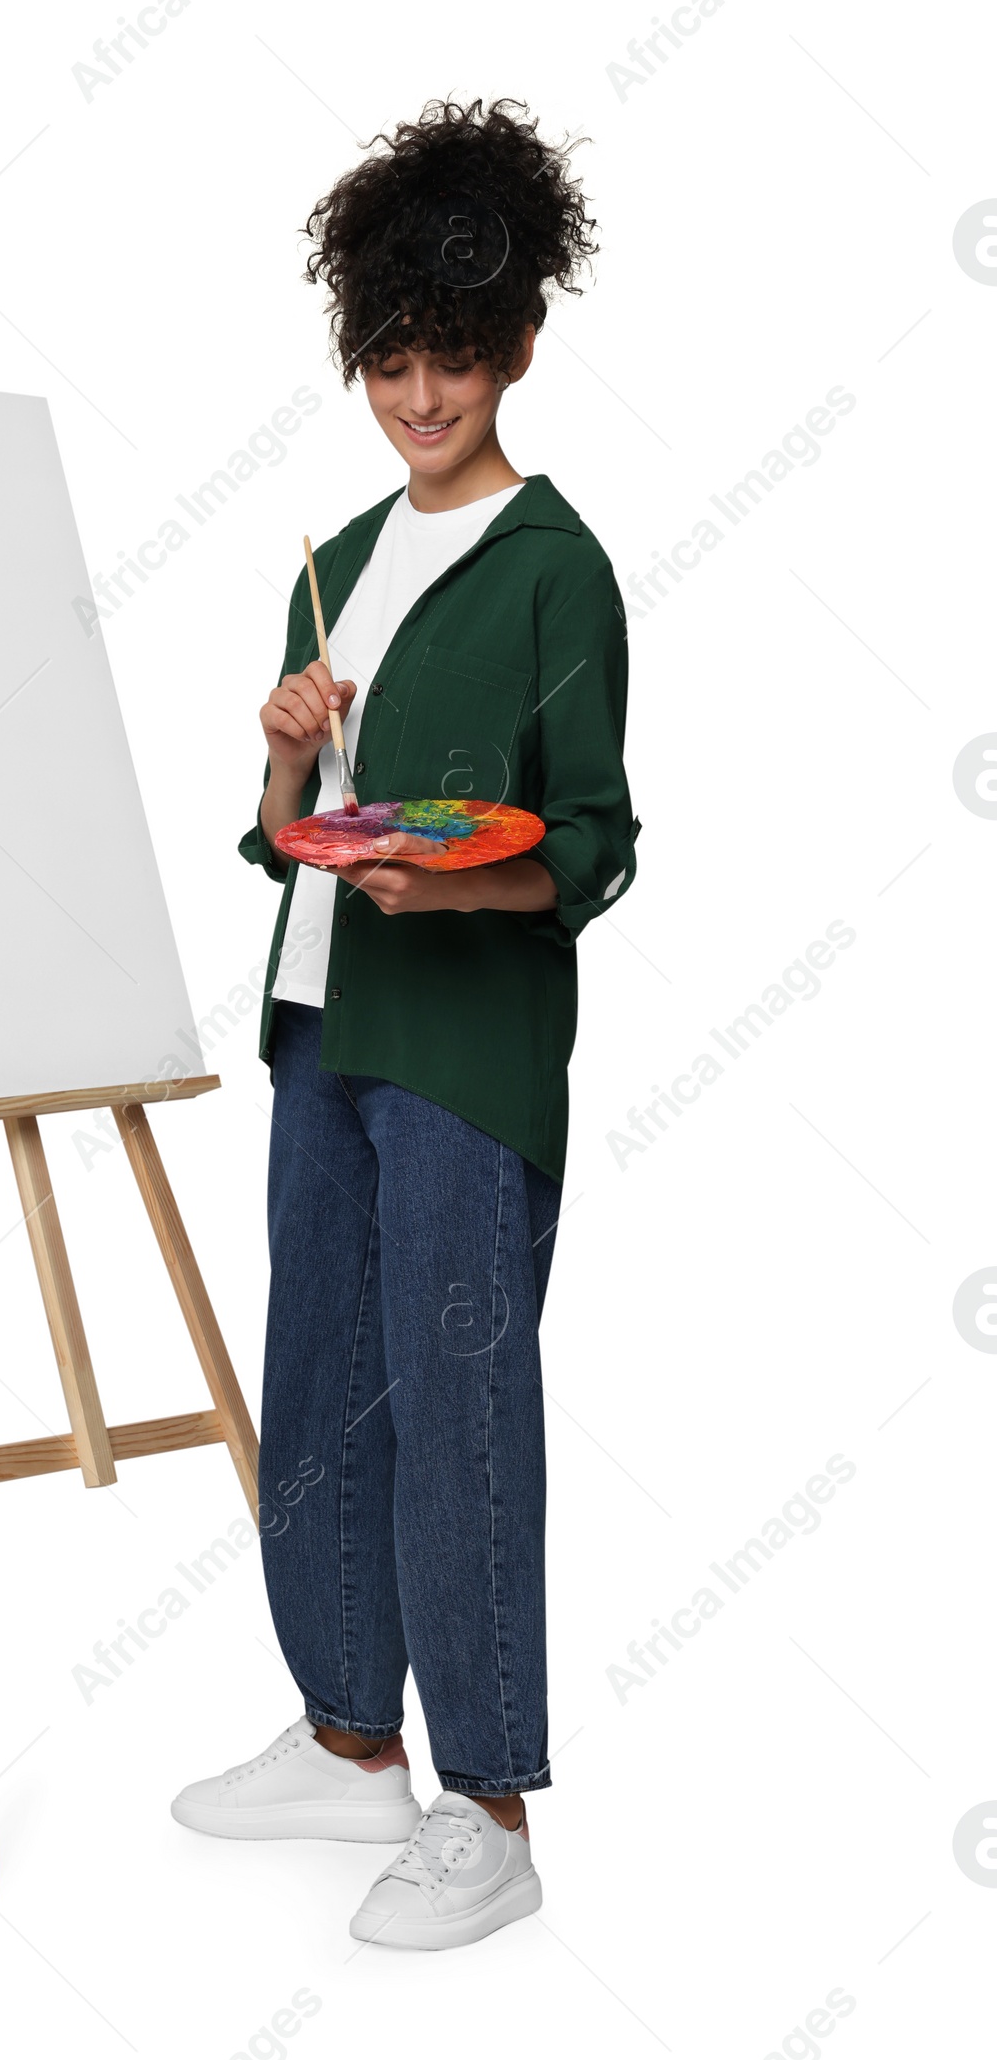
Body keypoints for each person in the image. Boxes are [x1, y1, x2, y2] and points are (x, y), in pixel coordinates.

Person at [172, 97, 639, 1950]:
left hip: (465, 1052)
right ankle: (352, 1736)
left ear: (519, 341)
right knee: (321, 1394)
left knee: (457, 1405)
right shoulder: (339, 552)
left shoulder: (554, 564)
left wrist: (454, 889)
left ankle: (494, 1802)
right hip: (321, 1027)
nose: (421, 393)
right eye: (389, 358)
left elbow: (590, 843)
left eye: (455, 357)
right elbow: (285, 839)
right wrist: (283, 750)